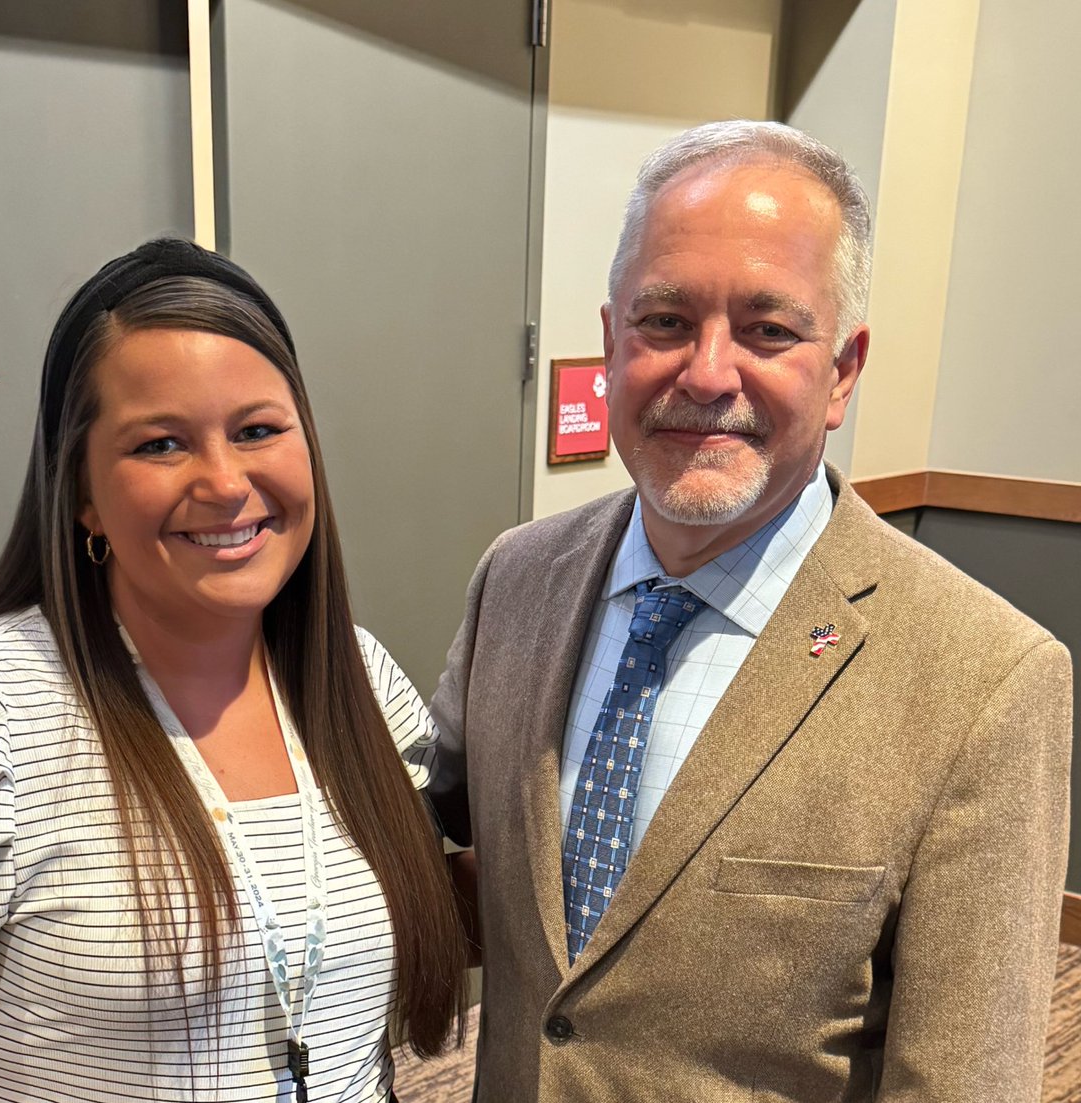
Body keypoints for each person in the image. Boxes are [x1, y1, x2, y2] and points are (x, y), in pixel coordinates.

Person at [429, 121, 1072, 1102]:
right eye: (665, 321)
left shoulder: (984, 678)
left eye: (770, 330)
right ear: (609, 342)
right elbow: (430, 863)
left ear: (843, 370)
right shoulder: (516, 579)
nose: (707, 372)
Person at [0, 239, 467, 1102]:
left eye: (259, 430)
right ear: (81, 491)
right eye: (161, 444)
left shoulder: (361, 676)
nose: (226, 483)